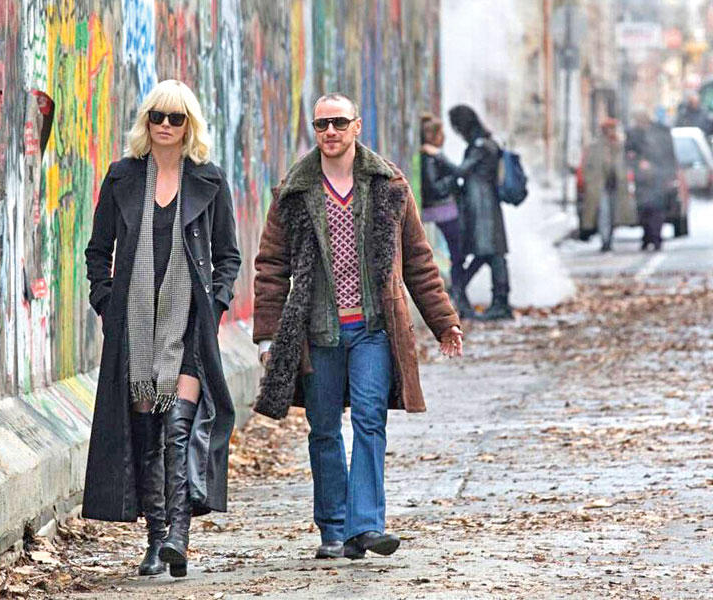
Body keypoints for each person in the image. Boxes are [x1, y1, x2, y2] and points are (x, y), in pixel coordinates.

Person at [252, 93, 463, 561]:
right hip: (318, 332)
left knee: (370, 418)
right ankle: (333, 527)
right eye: (321, 124)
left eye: (339, 123)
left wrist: (444, 321)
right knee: (324, 428)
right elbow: (271, 267)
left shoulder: (388, 184)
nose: (330, 131)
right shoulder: (295, 192)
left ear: (357, 126)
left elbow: (418, 260)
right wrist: (267, 336)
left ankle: (365, 525)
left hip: (373, 329)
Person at [82, 79, 241, 578]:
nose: (166, 126)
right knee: (147, 433)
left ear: (189, 124)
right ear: (146, 122)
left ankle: (178, 538)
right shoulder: (122, 177)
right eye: (158, 117)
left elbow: (228, 256)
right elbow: (97, 251)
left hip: (188, 327)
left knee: (177, 429)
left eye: (176, 118)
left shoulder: (209, 179)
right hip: (135, 329)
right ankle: (155, 541)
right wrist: (106, 303)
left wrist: (214, 306)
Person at [448, 105, 512, 320]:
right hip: (487, 204)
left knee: (490, 254)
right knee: (491, 254)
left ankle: (462, 291)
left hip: (481, 206)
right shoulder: (488, 142)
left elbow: (461, 170)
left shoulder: (480, 146)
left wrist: (437, 156)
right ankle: (498, 301)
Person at [420, 113, 473, 318]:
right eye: (441, 133)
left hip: (442, 210)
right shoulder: (431, 158)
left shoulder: (432, 156)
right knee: (457, 256)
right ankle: (459, 299)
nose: (444, 137)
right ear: (433, 135)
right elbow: (438, 186)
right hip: (442, 211)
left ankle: (459, 297)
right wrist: (451, 180)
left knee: (457, 256)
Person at [578, 117, 636, 252]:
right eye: (609, 129)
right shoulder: (595, 147)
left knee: (614, 214)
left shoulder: (621, 146)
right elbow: (587, 166)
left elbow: (626, 164)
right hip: (600, 186)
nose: (611, 132)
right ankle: (605, 240)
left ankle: (609, 236)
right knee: (604, 213)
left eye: (613, 129)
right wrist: (589, 181)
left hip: (617, 185)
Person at [626, 107, 679, 251]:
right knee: (644, 209)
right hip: (642, 179)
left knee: (657, 209)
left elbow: (669, 155)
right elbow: (629, 154)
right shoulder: (634, 134)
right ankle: (647, 236)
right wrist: (638, 162)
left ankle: (655, 237)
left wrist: (670, 175)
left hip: (659, 177)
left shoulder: (661, 132)